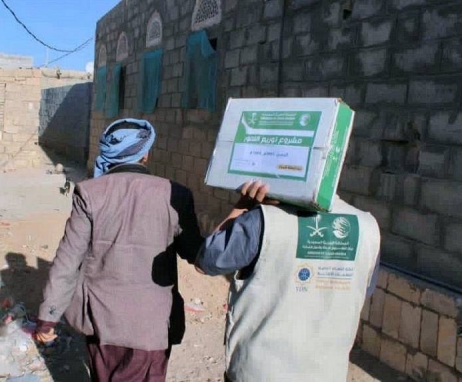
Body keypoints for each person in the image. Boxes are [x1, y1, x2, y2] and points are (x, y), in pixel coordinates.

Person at [34, 118, 203, 382]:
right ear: (146, 153)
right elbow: (197, 254)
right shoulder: (176, 194)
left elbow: (67, 260)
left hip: (103, 323)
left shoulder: (89, 192)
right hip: (153, 325)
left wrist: (48, 317)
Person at [196, 181, 380, 382]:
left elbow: (206, 261)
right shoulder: (367, 226)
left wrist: (243, 204)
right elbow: (363, 290)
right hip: (327, 374)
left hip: (259, 373)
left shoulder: (260, 220)